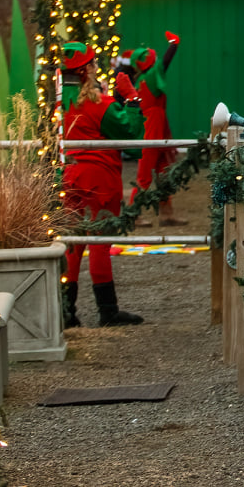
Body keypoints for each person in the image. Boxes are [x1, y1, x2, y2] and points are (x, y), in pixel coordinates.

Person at [60, 43, 146, 327]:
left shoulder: (59, 103)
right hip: (99, 179)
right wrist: (132, 99)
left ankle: (66, 311)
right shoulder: (97, 102)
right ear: (87, 70)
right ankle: (107, 311)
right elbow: (130, 132)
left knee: (73, 244)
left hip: (70, 178)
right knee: (99, 244)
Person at [127, 32, 184, 226]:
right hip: (153, 126)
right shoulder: (151, 75)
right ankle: (133, 214)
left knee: (162, 171)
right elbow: (165, 63)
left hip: (154, 124)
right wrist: (173, 44)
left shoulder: (142, 78)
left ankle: (166, 214)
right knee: (145, 173)